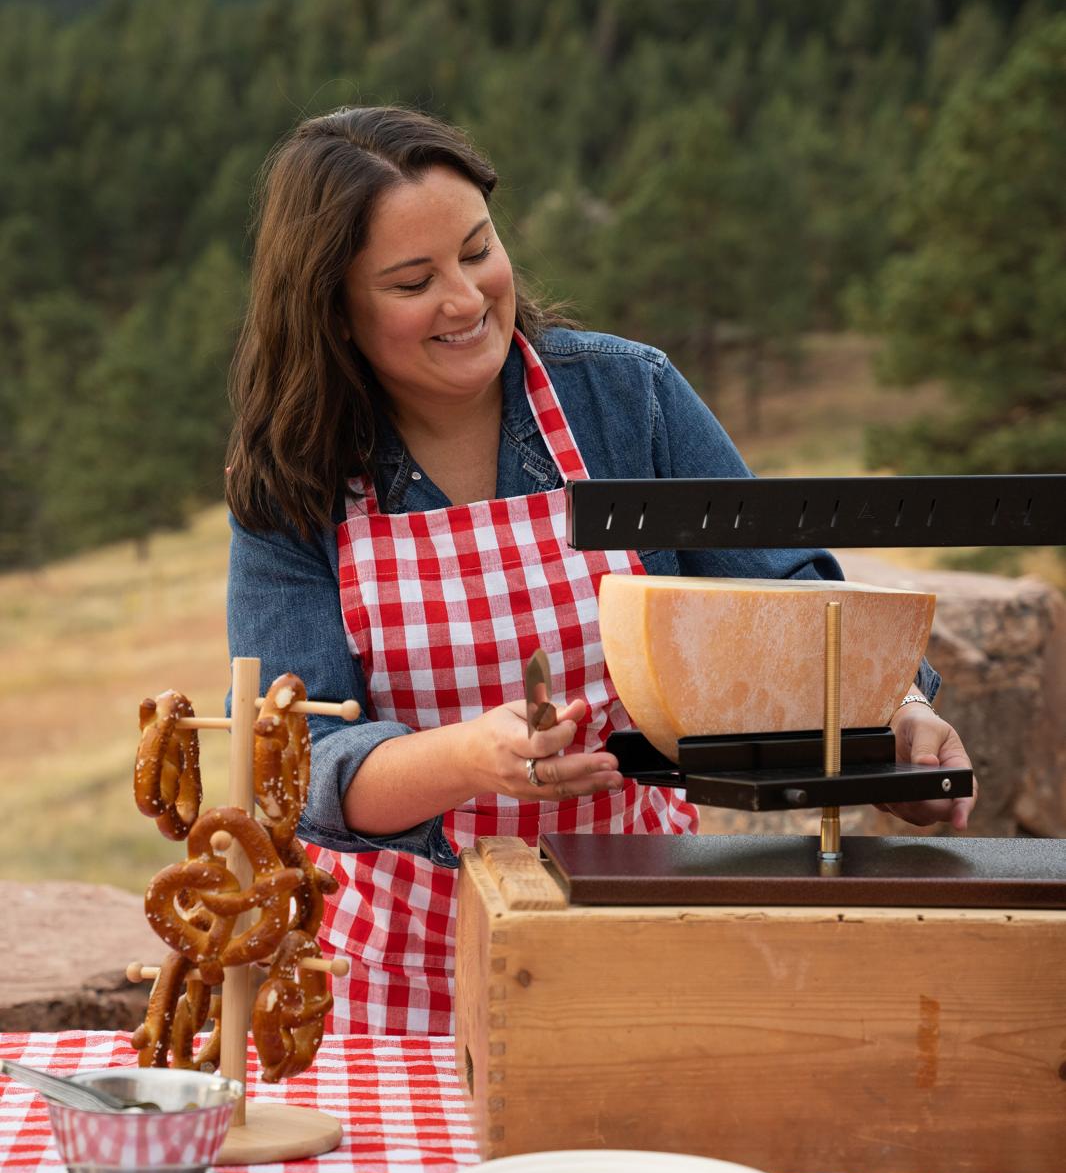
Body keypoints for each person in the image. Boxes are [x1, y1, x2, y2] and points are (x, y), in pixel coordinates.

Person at [226, 105, 975, 1036]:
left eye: (477, 250)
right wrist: (472, 758)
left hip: (644, 919)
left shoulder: (628, 400)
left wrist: (894, 718)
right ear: (333, 309)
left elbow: (786, 596)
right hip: (407, 975)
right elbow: (299, 768)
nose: (465, 299)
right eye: (414, 280)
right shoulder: (294, 477)